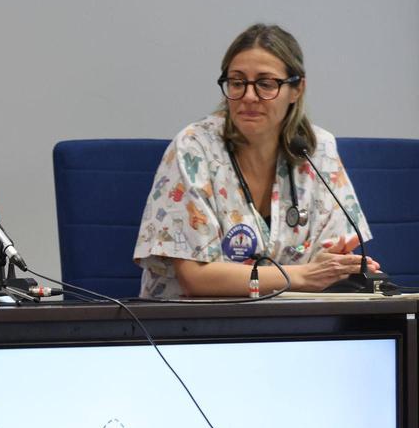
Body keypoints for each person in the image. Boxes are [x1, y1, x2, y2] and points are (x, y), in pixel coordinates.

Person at [133, 23, 378, 299]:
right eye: (237, 83)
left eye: (265, 84)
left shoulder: (317, 150)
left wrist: (335, 266)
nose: (249, 96)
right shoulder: (194, 147)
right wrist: (303, 275)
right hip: (197, 320)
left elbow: (328, 262)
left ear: (297, 89)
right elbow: (195, 278)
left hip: (295, 319)